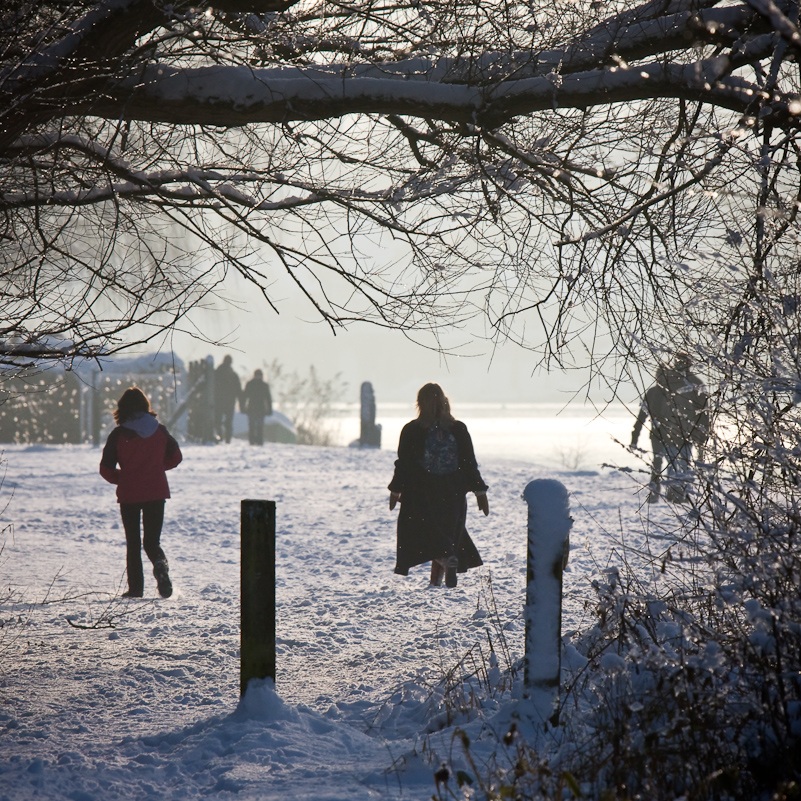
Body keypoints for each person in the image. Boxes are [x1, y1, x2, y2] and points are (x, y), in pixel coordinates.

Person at [388, 383, 489, 588]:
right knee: (446, 535)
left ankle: (445, 562)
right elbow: (469, 462)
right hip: (452, 492)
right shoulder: (458, 428)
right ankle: (437, 580)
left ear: (419, 404)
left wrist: (396, 490)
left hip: (420, 493)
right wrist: (479, 492)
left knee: (423, 533)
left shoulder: (411, 430)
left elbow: (404, 464)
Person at [100, 387, 183, 598]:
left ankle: (136, 589)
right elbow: (176, 457)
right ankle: (160, 565)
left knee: (134, 543)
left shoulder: (118, 434)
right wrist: (154, 469)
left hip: (130, 495)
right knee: (152, 542)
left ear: (122, 409)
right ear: (146, 406)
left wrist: (125, 478)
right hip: (156, 492)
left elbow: (106, 469)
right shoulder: (160, 430)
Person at [631, 353, 709, 503]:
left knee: (662, 463)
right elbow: (703, 414)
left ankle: (663, 492)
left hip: (669, 433)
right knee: (679, 464)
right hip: (681, 433)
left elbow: (642, 417)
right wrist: (702, 433)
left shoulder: (672, 386)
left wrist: (635, 436)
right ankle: (675, 492)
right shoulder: (687, 384)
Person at [214, 354, 242, 443]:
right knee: (228, 422)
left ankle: (220, 435)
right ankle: (227, 439)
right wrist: (241, 403)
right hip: (230, 402)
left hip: (218, 401)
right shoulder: (233, 375)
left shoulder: (217, 373)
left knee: (217, 421)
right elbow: (238, 390)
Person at [241, 369, 273, 446]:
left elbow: (268, 399)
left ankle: (259, 440)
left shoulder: (252, 384)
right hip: (254, 408)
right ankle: (253, 440)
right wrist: (243, 407)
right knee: (253, 426)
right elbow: (245, 397)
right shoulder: (260, 385)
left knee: (259, 426)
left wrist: (269, 409)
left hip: (258, 409)